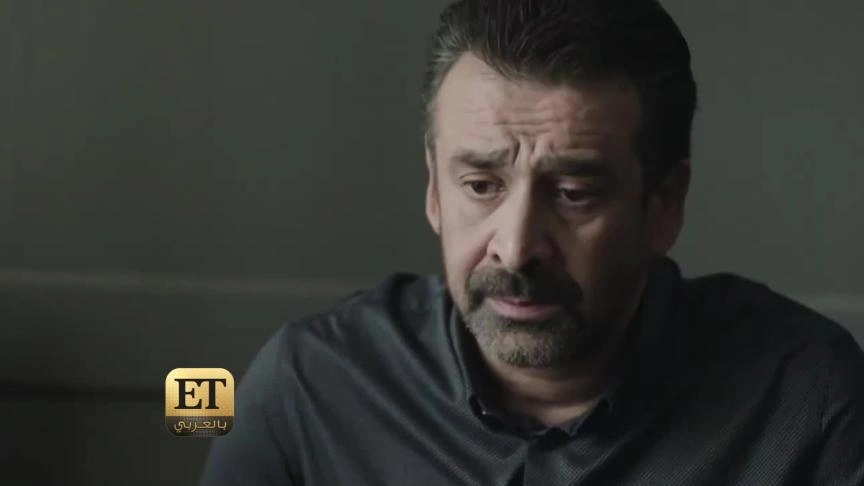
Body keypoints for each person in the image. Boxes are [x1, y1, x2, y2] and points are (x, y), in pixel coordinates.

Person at [200, 0, 864, 484]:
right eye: (480, 185)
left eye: (573, 194)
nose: (515, 250)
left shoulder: (805, 400)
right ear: (435, 191)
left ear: (663, 206)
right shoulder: (309, 384)